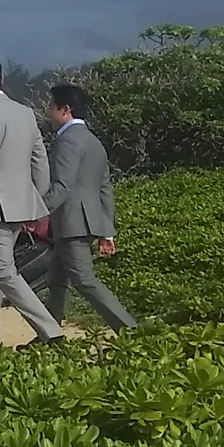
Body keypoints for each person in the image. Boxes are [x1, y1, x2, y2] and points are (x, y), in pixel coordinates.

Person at [0, 57, 68, 346]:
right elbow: (39, 160)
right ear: (2, 78)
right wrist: (37, 202)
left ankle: (51, 331)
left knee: (3, 272)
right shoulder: (25, 113)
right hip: (20, 204)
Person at [41, 84, 138, 331]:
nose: (48, 112)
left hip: (72, 222)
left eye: (52, 107)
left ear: (66, 110)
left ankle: (129, 329)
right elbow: (104, 188)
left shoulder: (67, 141)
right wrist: (107, 231)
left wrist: (35, 212)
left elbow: (62, 186)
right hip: (83, 221)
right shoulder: (94, 142)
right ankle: (49, 334)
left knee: (84, 281)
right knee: (56, 280)